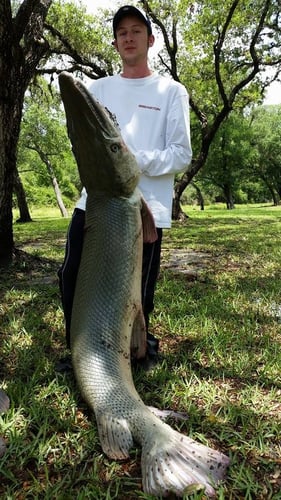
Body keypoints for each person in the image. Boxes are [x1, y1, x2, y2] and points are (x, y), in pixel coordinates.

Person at [57, 5, 192, 370]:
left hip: (145, 206)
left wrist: (134, 160)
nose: (128, 37)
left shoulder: (170, 91)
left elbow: (181, 155)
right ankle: (83, 350)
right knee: (71, 274)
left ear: (150, 40)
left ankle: (137, 349)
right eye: (121, 33)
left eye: (136, 31)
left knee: (136, 286)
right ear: (115, 43)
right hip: (95, 201)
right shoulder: (98, 88)